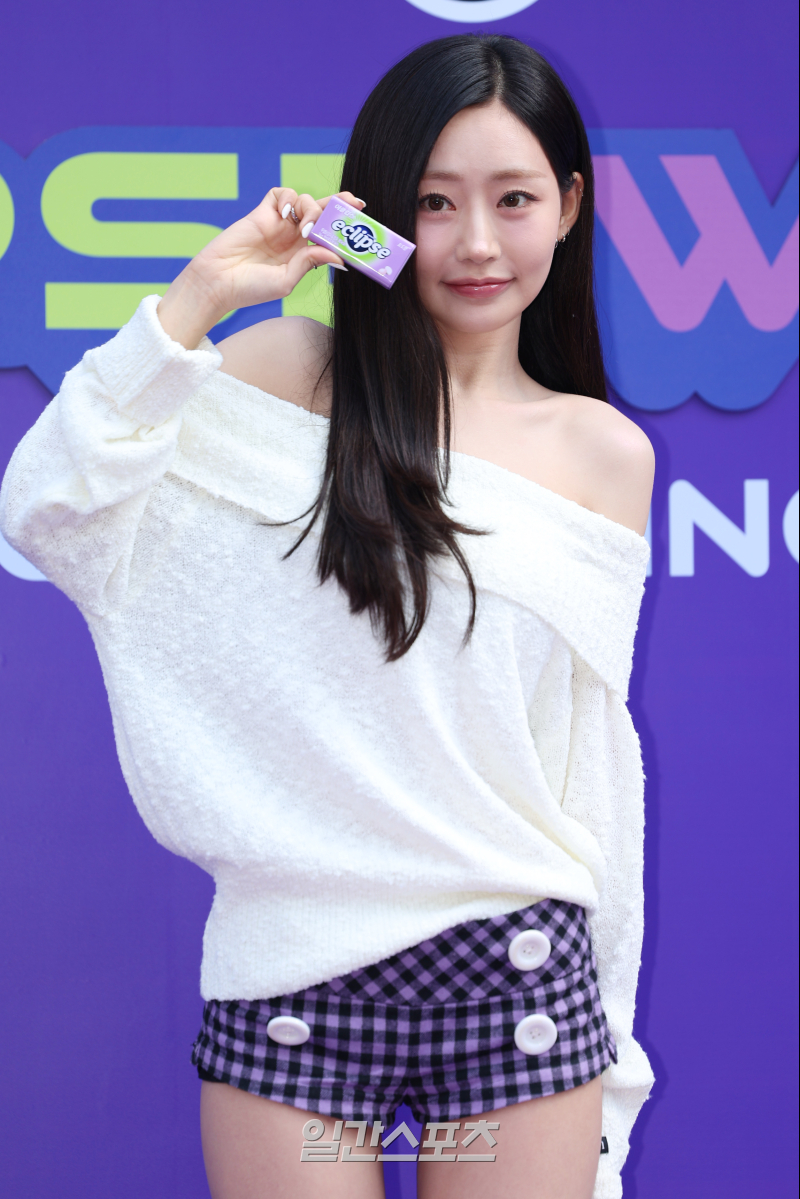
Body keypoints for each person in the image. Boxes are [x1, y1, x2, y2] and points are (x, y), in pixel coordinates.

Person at [0, 33, 655, 1199]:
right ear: (379, 214)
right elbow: (48, 511)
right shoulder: (283, 372)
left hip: (514, 981)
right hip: (292, 977)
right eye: (432, 203)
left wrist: (611, 1058)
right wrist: (198, 300)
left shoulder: (603, 455)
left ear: (566, 205)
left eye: (512, 199)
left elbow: (589, 770)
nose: (474, 242)